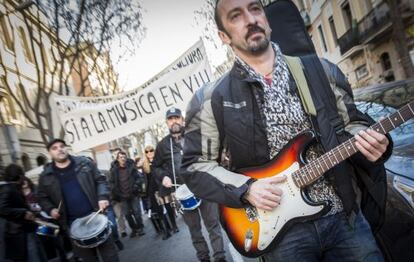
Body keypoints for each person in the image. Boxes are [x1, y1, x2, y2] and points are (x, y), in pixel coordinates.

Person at [181, 1, 393, 261]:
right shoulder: (210, 98)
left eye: (255, 9)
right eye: (236, 16)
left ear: (267, 21)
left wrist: (373, 143)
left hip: (343, 215)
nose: (250, 19)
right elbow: (195, 166)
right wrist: (246, 189)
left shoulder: (321, 71)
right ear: (223, 36)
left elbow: (352, 123)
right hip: (280, 234)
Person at [153, 107, 226, 262]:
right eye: (171, 119)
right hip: (183, 191)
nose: (174, 121)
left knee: (213, 224)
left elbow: (212, 152)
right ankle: (204, 257)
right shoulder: (162, 145)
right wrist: (163, 176)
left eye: (177, 118)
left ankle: (220, 257)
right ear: (167, 123)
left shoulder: (195, 135)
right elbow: (155, 167)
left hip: (204, 185)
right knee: (194, 230)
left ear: (182, 120)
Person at [37, 139, 119, 262]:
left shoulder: (84, 163)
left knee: (111, 257)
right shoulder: (45, 176)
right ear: (49, 153)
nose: (60, 149)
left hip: (97, 217)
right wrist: (50, 209)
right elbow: (42, 197)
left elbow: (100, 180)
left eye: (62, 146)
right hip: (73, 226)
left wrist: (102, 197)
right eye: (54, 148)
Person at [0, 164, 47, 262]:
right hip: (19, 232)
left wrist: (29, 210)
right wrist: (23, 212)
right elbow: (2, 208)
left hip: (25, 229)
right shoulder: (7, 189)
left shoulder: (13, 188)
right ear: (19, 176)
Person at [109, 151, 145, 237]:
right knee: (127, 215)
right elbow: (111, 183)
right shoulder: (114, 171)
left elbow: (139, 178)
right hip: (122, 197)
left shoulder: (132, 167)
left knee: (137, 212)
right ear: (117, 159)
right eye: (121, 157)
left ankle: (140, 228)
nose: (123, 159)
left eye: (124, 157)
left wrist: (136, 186)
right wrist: (116, 192)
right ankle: (134, 229)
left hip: (133, 194)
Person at [143, 145, 172, 240]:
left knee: (167, 208)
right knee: (159, 211)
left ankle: (171, 227)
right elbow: (146, 180)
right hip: (152, 191)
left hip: (161, 188)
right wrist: (146, 194)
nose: (149, 153)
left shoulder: (159, 161)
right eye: (147, 152)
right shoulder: (145, 165)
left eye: (151, 150)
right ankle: (166, 230)